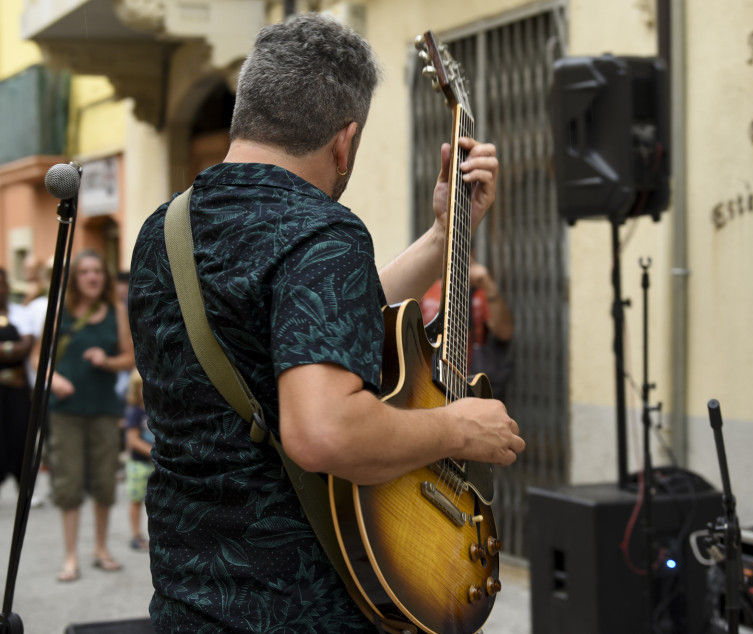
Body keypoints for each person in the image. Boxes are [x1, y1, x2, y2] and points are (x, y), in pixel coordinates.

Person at [128, 12, 524, 633]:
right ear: (345, 140)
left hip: (186, 602)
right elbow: (323, 433)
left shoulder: (163, 231)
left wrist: (443, 234)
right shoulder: (323, 231)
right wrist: (456, 430)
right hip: (300, 612)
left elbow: (304, 322)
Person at [41, 248, 135, 582]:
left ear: (104, 277)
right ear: (75, 278)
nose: (92, 276)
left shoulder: (116, 312)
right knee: (68, 482)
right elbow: (42, 360)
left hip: (105, 410)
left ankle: (100, 548)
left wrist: (107, 361)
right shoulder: (60, 311)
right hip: (66, 411)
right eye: (85, 271)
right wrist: (56, 379)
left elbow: (130, 358)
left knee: (104, 481)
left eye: (97, 271)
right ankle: (70, 557)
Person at [420, 251, 515, 402]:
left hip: (472, 379)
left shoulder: (480, 295)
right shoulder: (427, 292)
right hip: (431, 377)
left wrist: (489, 286)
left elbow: (504, 332)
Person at [0, 268, 35, 491]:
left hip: (18, 390)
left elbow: (27, 344)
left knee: (22, 436)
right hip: (8, 384)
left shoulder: (19, 312)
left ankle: (24, 488)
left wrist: (7, 348)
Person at [122, 370, 152, 552]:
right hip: (139, 464)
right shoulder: (135, 413)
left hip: (156, 462)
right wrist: (154, 452)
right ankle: (136, 534)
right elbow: (132, 440)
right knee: (136, 499)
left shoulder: (157, 411)